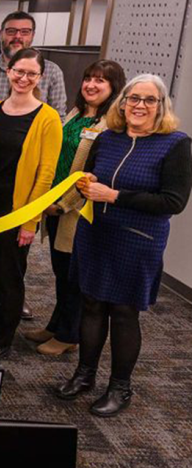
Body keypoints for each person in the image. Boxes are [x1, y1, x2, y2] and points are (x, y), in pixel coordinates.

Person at [55, 74, 191, 417]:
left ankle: (120, 387)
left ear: (161, 106)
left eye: (149, 100)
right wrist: (89, 183)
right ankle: (84, 374)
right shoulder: (107, 138)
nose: (139, 106)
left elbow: (173, 202)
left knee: (124, 312)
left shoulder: (175, 144)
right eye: (133, 99)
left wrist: (114, 196)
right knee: (91, 304)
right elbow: (87, 176)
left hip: (137, 240)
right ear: (123, 102)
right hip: (96, 234)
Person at [0, 11, 67, 318]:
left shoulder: (46, 115)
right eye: (18, 72)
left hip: (19, 203)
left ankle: (0, 337)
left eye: (30, 74)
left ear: (40, 77)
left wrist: (30, 220)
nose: (23, 78)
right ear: (9, 71)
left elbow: (46, 171)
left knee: (10, 275)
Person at [27, 60, 126, 356]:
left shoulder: (110, 125)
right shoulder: (75, 114)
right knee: (61, 271)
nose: (91, 85)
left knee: (74, 278)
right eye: (88, 79)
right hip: (55, 206)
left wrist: (64, 203)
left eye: (101, 81)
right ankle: (57, 324)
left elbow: (95, 172)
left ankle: (70, 334)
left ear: (113, 88)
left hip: (76, 212)